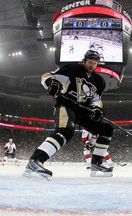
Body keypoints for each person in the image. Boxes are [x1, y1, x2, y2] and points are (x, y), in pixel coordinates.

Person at [23, 50, 114, 179]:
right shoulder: (71, 69)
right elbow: (46, 76)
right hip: (67, 105)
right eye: (90, 62)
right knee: (65, 132)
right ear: (84, 61)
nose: (92, 65)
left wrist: (96, 109)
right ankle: (35, 161)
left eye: (95, 63)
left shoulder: (99, 81)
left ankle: (96, 164)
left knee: (107, 129)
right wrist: (50, 82)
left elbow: (96, 100)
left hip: (83, 111)